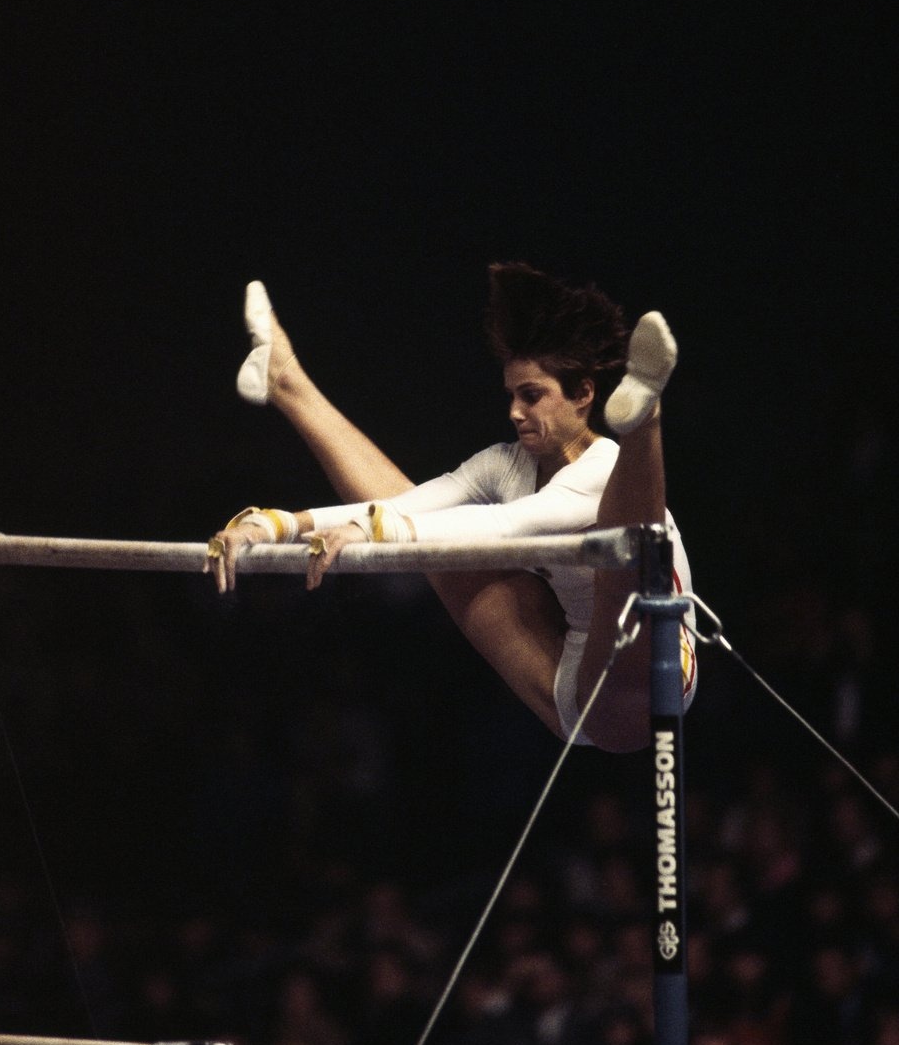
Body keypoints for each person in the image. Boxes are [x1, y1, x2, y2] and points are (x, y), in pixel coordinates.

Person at [207, 265, 695, 753]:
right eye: (511, 395)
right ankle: (288, 381)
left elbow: (505, 526)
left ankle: (644, 415)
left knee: (624, 565)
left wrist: (377, 530)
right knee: (427, 544)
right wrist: (273, 524)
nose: (515, 412)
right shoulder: (505, 465)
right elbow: (400, 505)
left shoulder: (600, 469)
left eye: (532, 396)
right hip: (568, 688)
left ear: (584, 394)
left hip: (649, 681)